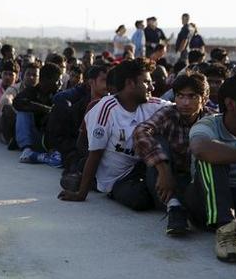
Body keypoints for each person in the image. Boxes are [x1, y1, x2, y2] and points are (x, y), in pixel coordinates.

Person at [59, 58, 171, 210]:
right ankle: (86, 182)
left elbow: (183, 109)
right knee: (139, 200)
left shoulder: (153, 104)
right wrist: (81, 194)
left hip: (142, 168)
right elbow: (95, 155)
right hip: (117, 178)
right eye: (146, 82)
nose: (151, 87)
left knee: (159, 142)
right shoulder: (105, 109)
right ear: (130, 83)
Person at [182, 72, 236, 262]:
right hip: (206, 203)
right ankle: (226, 230)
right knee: (211, 157)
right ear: (231, 104)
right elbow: (200, 149)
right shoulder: (208, 124)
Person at [133, 73, 212, 236]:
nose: (185, 102)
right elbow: (141, 131)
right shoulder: (168, 113)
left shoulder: (211, 119)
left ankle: (185, 208)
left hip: (195, 180)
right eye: (180, 96)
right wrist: (164, 171)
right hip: (164, 179)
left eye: (192, 97)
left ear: (204, 98)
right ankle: (174, 207)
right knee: (157, 140)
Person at [14, 62, 63, 166]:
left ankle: (51, 154)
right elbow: (17, 103)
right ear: (45, 80)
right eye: (57, 80)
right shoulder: (31, 92)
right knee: (23, 113)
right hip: (34, 137)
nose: (60, 83)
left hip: (50, 139)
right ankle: (27, 150)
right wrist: (42, 109)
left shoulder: (60, 94)